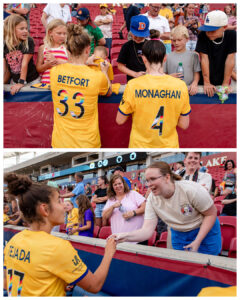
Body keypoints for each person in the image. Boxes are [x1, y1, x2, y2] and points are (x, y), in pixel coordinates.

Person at [4, 173, 116, 297]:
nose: (64, 206)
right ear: (45, 209)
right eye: (59, 201)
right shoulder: (57, 247)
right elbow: (94, 285)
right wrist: (109, 252)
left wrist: (55, 282)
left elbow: (7, 283)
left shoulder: (13, 241)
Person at [112, 162, 222, 256]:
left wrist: (198, 241)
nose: (149, 185)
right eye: (147, 180)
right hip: (179, 233)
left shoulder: (191, 189)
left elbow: (211, 214)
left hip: (204, 231)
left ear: (167, 177)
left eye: (153, 179)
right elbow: (146, 231)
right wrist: (124, 236)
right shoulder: (152, 199)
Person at [116, 39, 191, 148]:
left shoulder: (133, 85)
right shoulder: (180, 86)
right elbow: (184, 125)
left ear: (144, 59)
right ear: (165, 58)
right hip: (168, 146)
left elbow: (120, 120)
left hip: (139, 146)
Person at [50, 23, 111, 148]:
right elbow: (108, 91)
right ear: (88, 50)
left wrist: (84, 63)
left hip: (60, 142)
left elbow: (70, 67)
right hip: (87, 142)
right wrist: (104, 72)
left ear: (67, 50)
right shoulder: (96, 76)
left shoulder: (55, 72)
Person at [195, 10, 236, 97]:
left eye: (212, 30)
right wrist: (207, 82)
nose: (209, 34)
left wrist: (225, 83)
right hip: (205, 78)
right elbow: (204, 59)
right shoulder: (203, 35)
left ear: (224, 27)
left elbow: (230, 60)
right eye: (207, 30)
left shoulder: (232, 35)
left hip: (221, 76)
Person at [4, 14, 39, 95]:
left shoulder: (28, 41)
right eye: (22, 29)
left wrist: (21, 82)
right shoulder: (5, 45)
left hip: (32, 81)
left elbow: (24, 64)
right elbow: (6, 70)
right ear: (11, 30)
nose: (25, 31)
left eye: (26, 28)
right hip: (15, 82)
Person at [164, 25, 201, 96]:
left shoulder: (193, 55)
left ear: (187, 39)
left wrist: (195, 83)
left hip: (189, 92)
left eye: (179, 40)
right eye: (174, 40)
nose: (176, 43)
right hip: (173, 93)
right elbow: (163, 75)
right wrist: (169, 77)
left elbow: (196, 72)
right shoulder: (168, 56)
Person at [117, 15, 149, 82]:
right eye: (136, 35)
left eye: (141, 36)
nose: (138, 38)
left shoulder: (151, 45)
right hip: (132, 81)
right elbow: (120, 66)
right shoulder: (126, 46)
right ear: (131, 32)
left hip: (148, 81)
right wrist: (134, 74)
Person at [36, 19, 69, 84]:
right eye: (59, 33)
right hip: (46, 84)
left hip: (62, 85)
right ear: (50, 33)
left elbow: (72, 66)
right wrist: (47, 65)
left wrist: (56, 61)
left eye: (64, 33)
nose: (62, 36)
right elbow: (38, 68)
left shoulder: (66, 49)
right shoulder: (43, 48)